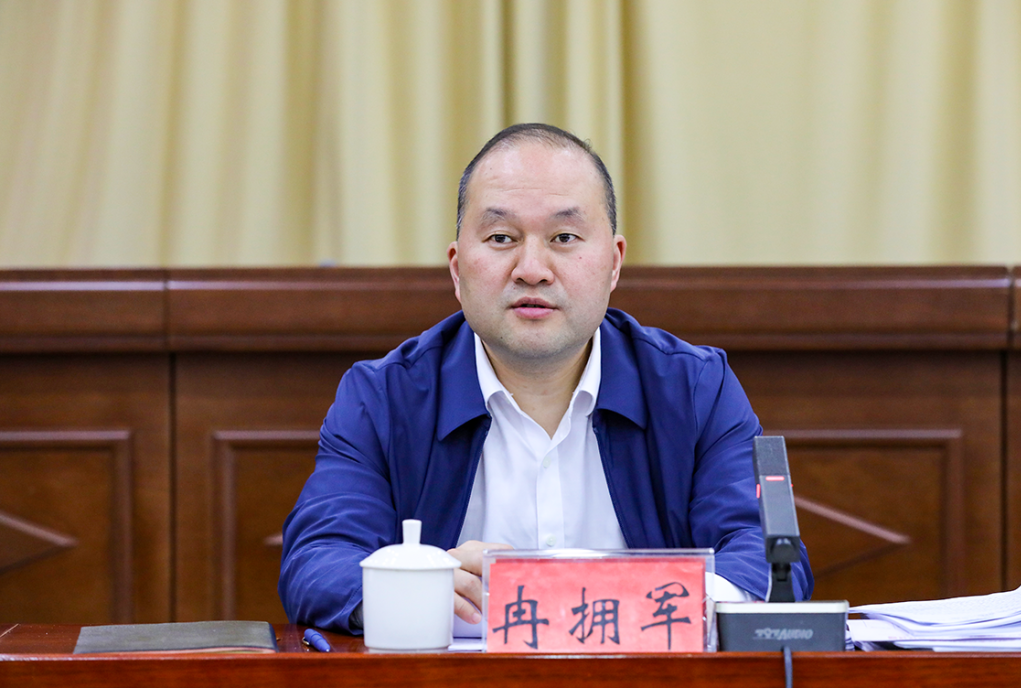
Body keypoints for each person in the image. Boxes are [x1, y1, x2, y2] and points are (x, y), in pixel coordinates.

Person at [279, 123, 813, 633]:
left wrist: (626, 595)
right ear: (457, 268)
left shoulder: (695, 389)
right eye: (501, 237)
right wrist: (419, 585)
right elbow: (317, 560)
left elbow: (768, 557)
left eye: (564, 236)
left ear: (614, 263)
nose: (531, 269)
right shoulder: (382, 397)